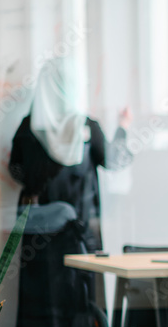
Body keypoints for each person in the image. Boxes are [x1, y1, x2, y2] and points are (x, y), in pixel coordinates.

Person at [8, 57, 133, 252]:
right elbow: (113, 160)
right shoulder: (86, 127)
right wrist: (122, 128)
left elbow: (15, 170)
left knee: (43, 281)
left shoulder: (28, 128)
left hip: (39, 229)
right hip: (80, 227)